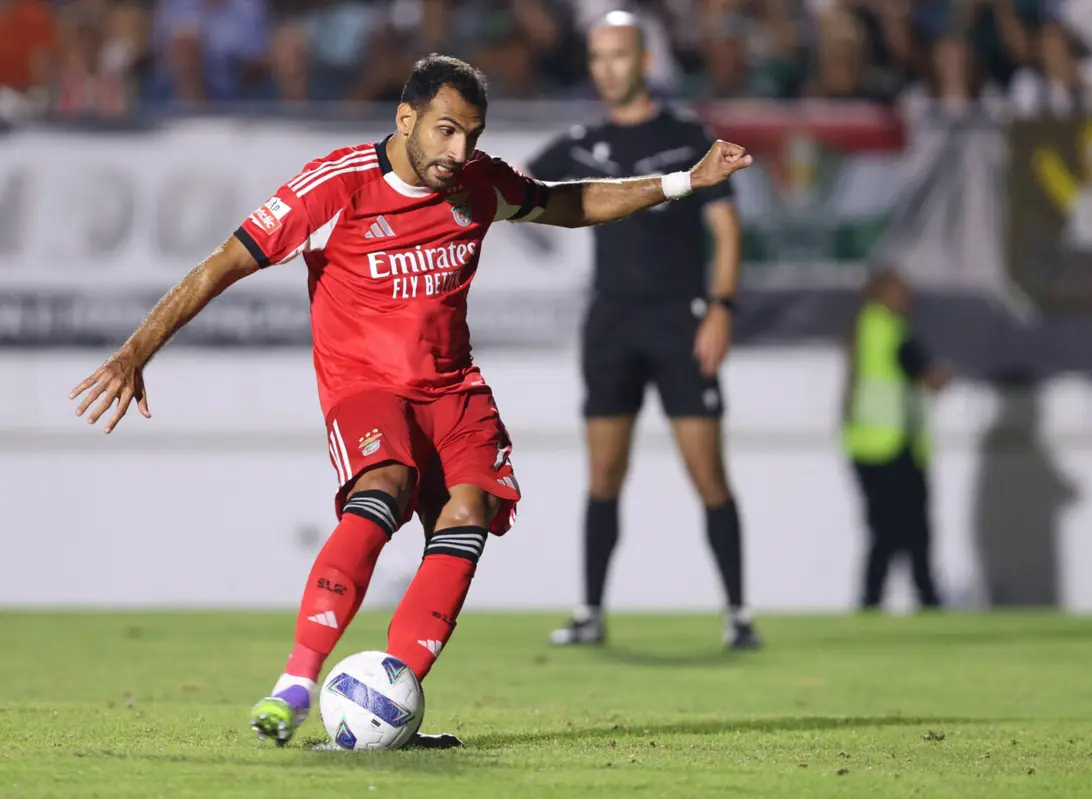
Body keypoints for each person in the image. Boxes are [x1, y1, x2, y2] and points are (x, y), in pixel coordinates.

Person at [68, 53, 753, 746]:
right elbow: (224, 261)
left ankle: (385, 701)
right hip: (366, 387)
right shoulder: (335, 186)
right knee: (385, 488)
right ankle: (296, 683)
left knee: (470, 511)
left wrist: (683, 181)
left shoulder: (479, 182)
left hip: (452, 388)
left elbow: (565, 203)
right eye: (447, 131)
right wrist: (137, 351)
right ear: (406, 119)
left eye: (473, 135)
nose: (460, 152)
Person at [525, 12, 760, 650]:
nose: (607, 69)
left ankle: (738, 614)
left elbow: (727, 231)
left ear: (645, 62)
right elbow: (521, 194)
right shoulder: (579, 143)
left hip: (680, 318)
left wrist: (722, 307)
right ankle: (590, 612)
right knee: (603, 475)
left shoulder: (687, 137)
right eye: (597, 57)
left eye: (619, 56)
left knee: (707, 473)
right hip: (612, 321)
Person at [841, 267, 951, 611]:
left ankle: (872, 601)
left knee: (883, 532)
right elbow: (928, 376)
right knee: (912, 532)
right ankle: (925, 599)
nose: (908, 299)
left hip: (864, 445)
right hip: (892, 447)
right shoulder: (890, 329)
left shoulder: (863, 327)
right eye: (901, 291)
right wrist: (940, 377)